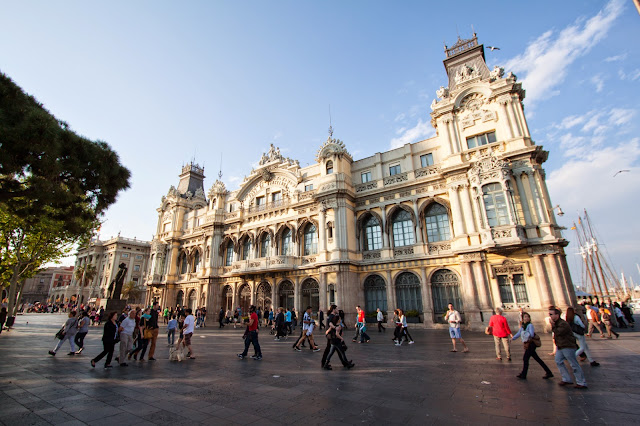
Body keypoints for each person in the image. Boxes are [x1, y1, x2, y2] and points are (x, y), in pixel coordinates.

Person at [549, 306, 587, 389]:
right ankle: (566, 378)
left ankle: (581, 382)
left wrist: (552, 325)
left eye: (551, 314)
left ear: (557, 315)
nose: (550, 316)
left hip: (567, 346)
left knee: (573, 364)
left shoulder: (563, 323)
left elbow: (559, 332)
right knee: (558, 361)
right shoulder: (557, 323)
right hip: (561, 346)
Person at [512, 312, 553, 380]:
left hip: (531, 344)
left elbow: (531, 334)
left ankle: (524, 374)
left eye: (528, 317)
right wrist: (513, 338)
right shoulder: (523, 325)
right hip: (528, 343)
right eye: (525, 317)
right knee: (537, 359)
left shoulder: (530, 325)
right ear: (522, 318)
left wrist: (525, 335)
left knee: (525, 358)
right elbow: (519, 333)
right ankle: (548, 372)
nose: (527, 318)